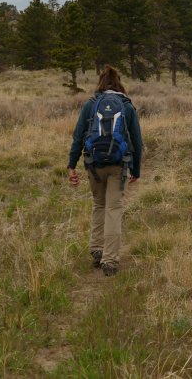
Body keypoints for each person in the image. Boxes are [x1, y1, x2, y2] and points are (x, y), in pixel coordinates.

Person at [68, 66, 143, 276]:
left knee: (99, 205)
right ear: (119, 83)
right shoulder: (126, 106)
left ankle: (97, 250)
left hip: (94, 165)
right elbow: (137, 141)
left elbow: (77, 137)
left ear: (100, 83)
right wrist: (135, 169)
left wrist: (71, 166)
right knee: (114, 209)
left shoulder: (90, 105)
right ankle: (110, 260)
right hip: (119, 166)